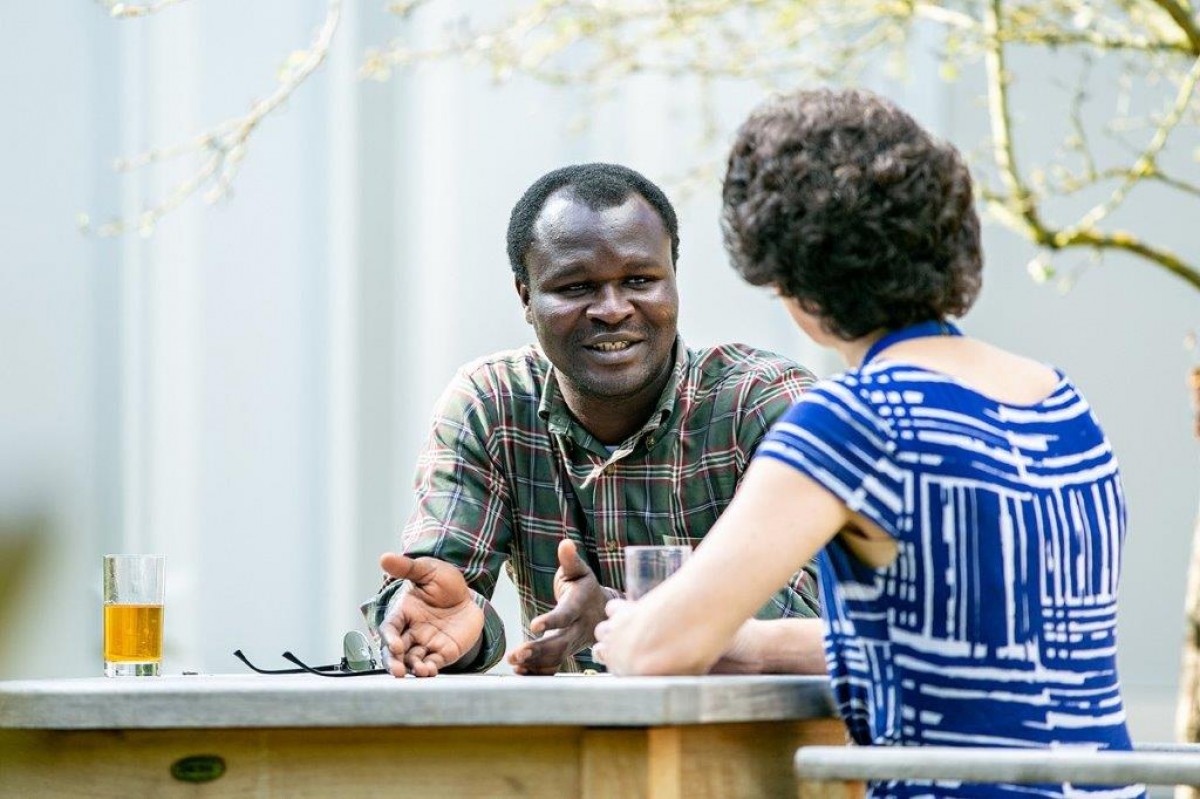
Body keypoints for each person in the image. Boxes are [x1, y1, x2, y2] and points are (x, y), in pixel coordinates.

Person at [593, 89, 1145, 799]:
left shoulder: (854, 420)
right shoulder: (1061, 399)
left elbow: (657, 650)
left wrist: (625, 628)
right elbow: (976, 641)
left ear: (792, 278)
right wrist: (755, 642)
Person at [363, 162, 823, 678]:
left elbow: (809, 623)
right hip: (574, 729)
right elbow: (443, 593)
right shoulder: (490, 405)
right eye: (576, 287)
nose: (612, 309)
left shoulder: (763, 404)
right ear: (526, 298)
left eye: (639, 280)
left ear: (674, 279)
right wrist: (444, 631)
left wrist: (614, 614)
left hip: (754, 727)